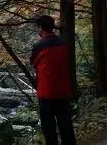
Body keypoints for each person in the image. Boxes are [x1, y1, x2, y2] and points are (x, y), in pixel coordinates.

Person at [30, 15, 77, 145]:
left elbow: (33, 63)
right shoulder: (63, 43)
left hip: (47, 92)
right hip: (63, 90)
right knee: (65, 121)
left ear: (41, 28)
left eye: (38, 28)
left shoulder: (39, 45)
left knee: (48, 124)